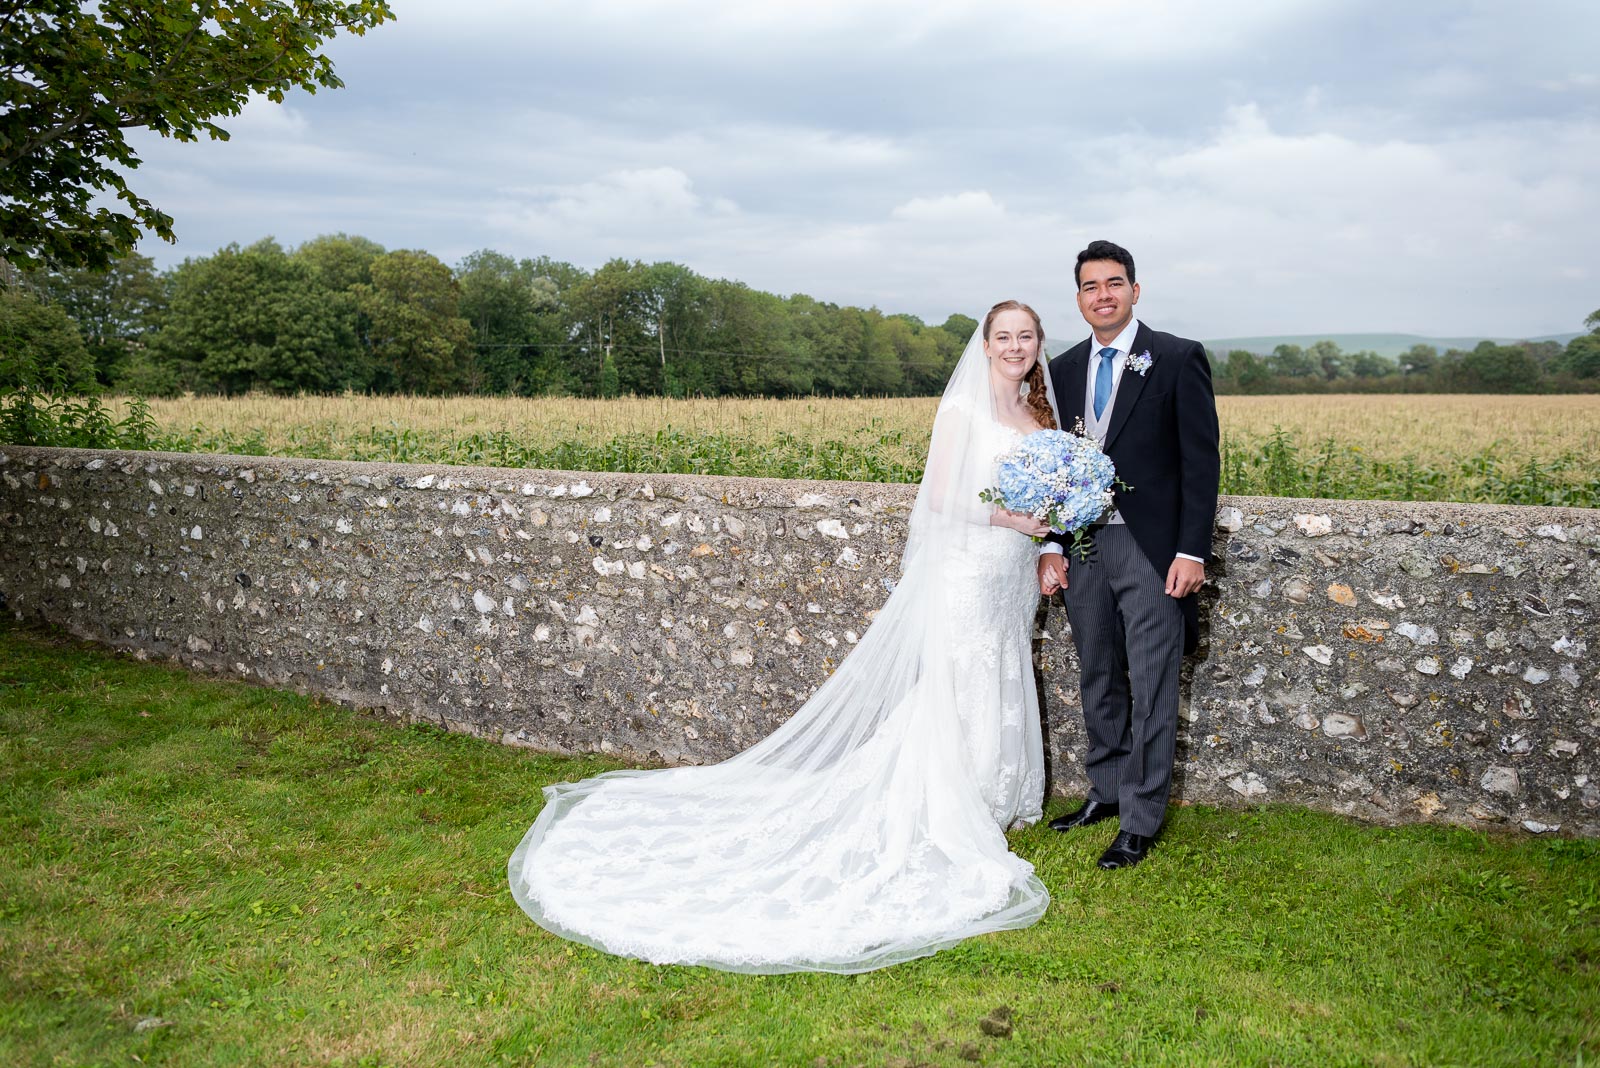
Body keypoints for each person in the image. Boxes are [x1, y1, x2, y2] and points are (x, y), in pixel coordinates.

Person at [509, 301, 1059, 973]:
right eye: (1002, 336)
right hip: (970, 569)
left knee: (1001, 669)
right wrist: (1013, 523)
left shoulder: (1037, 417)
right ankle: (954, 800)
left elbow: (1051, 501)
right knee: (960, 678)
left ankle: (997, 793)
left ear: (1037, 344)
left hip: (1012, 575)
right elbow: (941, 498)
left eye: (1024, 336)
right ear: (985, 346)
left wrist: (1047, 541)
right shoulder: (962, 414)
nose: (1014, 346)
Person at [1037, 240, 1220, 870]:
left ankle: (1141, 818)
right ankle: (1107, 792)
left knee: (1153, 681)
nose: (1103, 296)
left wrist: (1191, 550)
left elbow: (1201, 462)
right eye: (1091, 287)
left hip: (1150, 548)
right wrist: (1055, 542)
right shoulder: (1060, 370)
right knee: (1097, 674)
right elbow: (1054, 470)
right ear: (1079, 298)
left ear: (1135, 291)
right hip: (1086, 545)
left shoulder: (1175, 357)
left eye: (1115, 284)